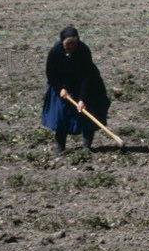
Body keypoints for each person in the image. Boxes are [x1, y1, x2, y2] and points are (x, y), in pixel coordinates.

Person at [42, 26, 111, 156]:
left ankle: (86, 146)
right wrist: (60, 89)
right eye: (68, 44)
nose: (71, 46)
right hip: (62, 85)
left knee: (87, 115)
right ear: (62, 43)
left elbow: (87, 76)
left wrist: (82, 99)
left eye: (74, 43)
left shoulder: (84, 51)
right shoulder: (55, 52)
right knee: (60, 115)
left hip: (87, 84)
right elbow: (50, 74)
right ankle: (60, 146)